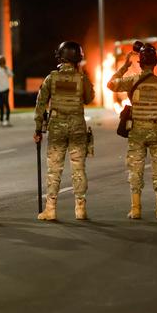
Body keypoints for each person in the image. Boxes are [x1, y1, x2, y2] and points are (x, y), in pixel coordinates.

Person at [108, 43, 157, 220]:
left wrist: (124, 67)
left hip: (137, 131)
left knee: (135, 169)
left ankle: (135, 209)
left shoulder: (132, 80)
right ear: (155, 63)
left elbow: (111, 84)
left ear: (140, 63)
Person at [34, 41, 95, 221]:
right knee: (78, 169)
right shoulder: (81, 79)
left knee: (54, 169)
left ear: (61, 57)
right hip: (77, 127)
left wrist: (38, 128)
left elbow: (40, 105)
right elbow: (89, 98)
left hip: (57, 128)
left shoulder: (51, 78)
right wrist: (85, 77)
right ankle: (80, 209)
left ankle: (50, 209)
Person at [0, 55, 13, 127]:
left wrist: (6, 69)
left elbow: (11, 75)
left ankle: (7, 120)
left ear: (3, 61)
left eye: (1, 60)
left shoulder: (6, 68)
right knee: (1, 105)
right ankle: (1, 120)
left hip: (5, 89)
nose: (0, 61)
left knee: (6, 104)